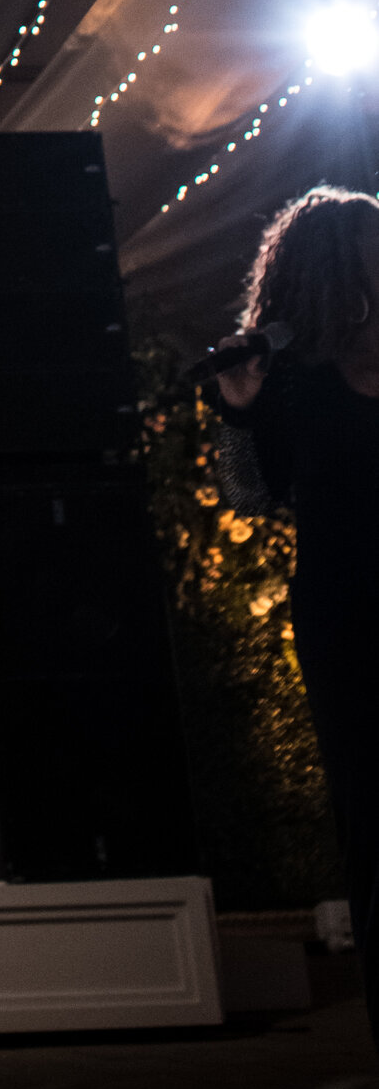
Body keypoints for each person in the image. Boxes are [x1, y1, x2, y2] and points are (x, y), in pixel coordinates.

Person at [212, 184, 379, 1037]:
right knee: (370, 809)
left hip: (345, 607)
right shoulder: (290, 380)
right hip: (350, 615)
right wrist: (237, 412)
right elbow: (250, 496)